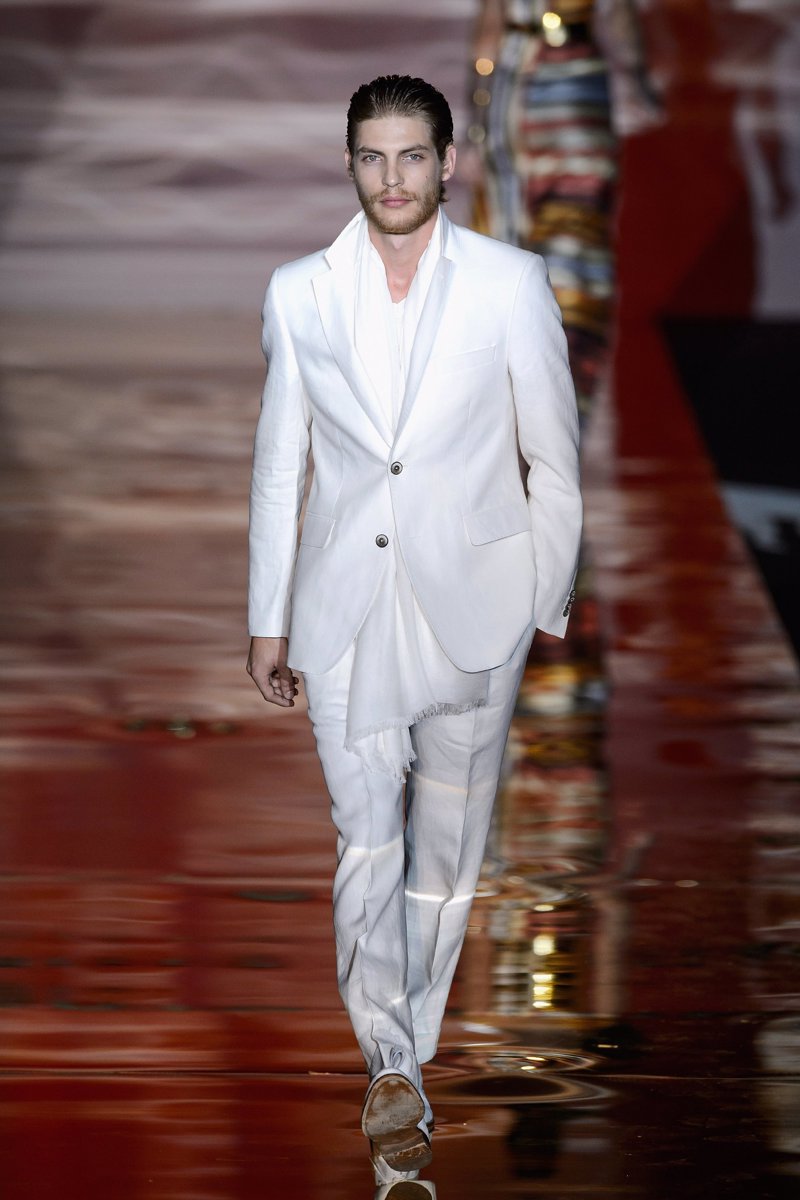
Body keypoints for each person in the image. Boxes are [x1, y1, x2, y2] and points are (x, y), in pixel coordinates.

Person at [246, 74, 582, 1190]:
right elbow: (280, 462)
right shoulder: (300, 291)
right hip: (344, 605)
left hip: (474, 608)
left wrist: (541, 602)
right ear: (349, 163)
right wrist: (266, 617)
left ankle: (410, 1047)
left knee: (445, 851)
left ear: (447, 162)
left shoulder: (509, 282)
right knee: (364, 837)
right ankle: (390, 1062)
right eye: (370, 156)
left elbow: (553, 457)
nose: (390, 178)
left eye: (410, 156)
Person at [470, 0, 662, 419]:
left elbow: (490, 25)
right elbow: (620, 18)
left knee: (514, 239)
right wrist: (639, 78)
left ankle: (520, 409)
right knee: (573, 239)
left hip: (517, 83)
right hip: (570, 86)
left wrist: (477, 105)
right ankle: (560, 403)